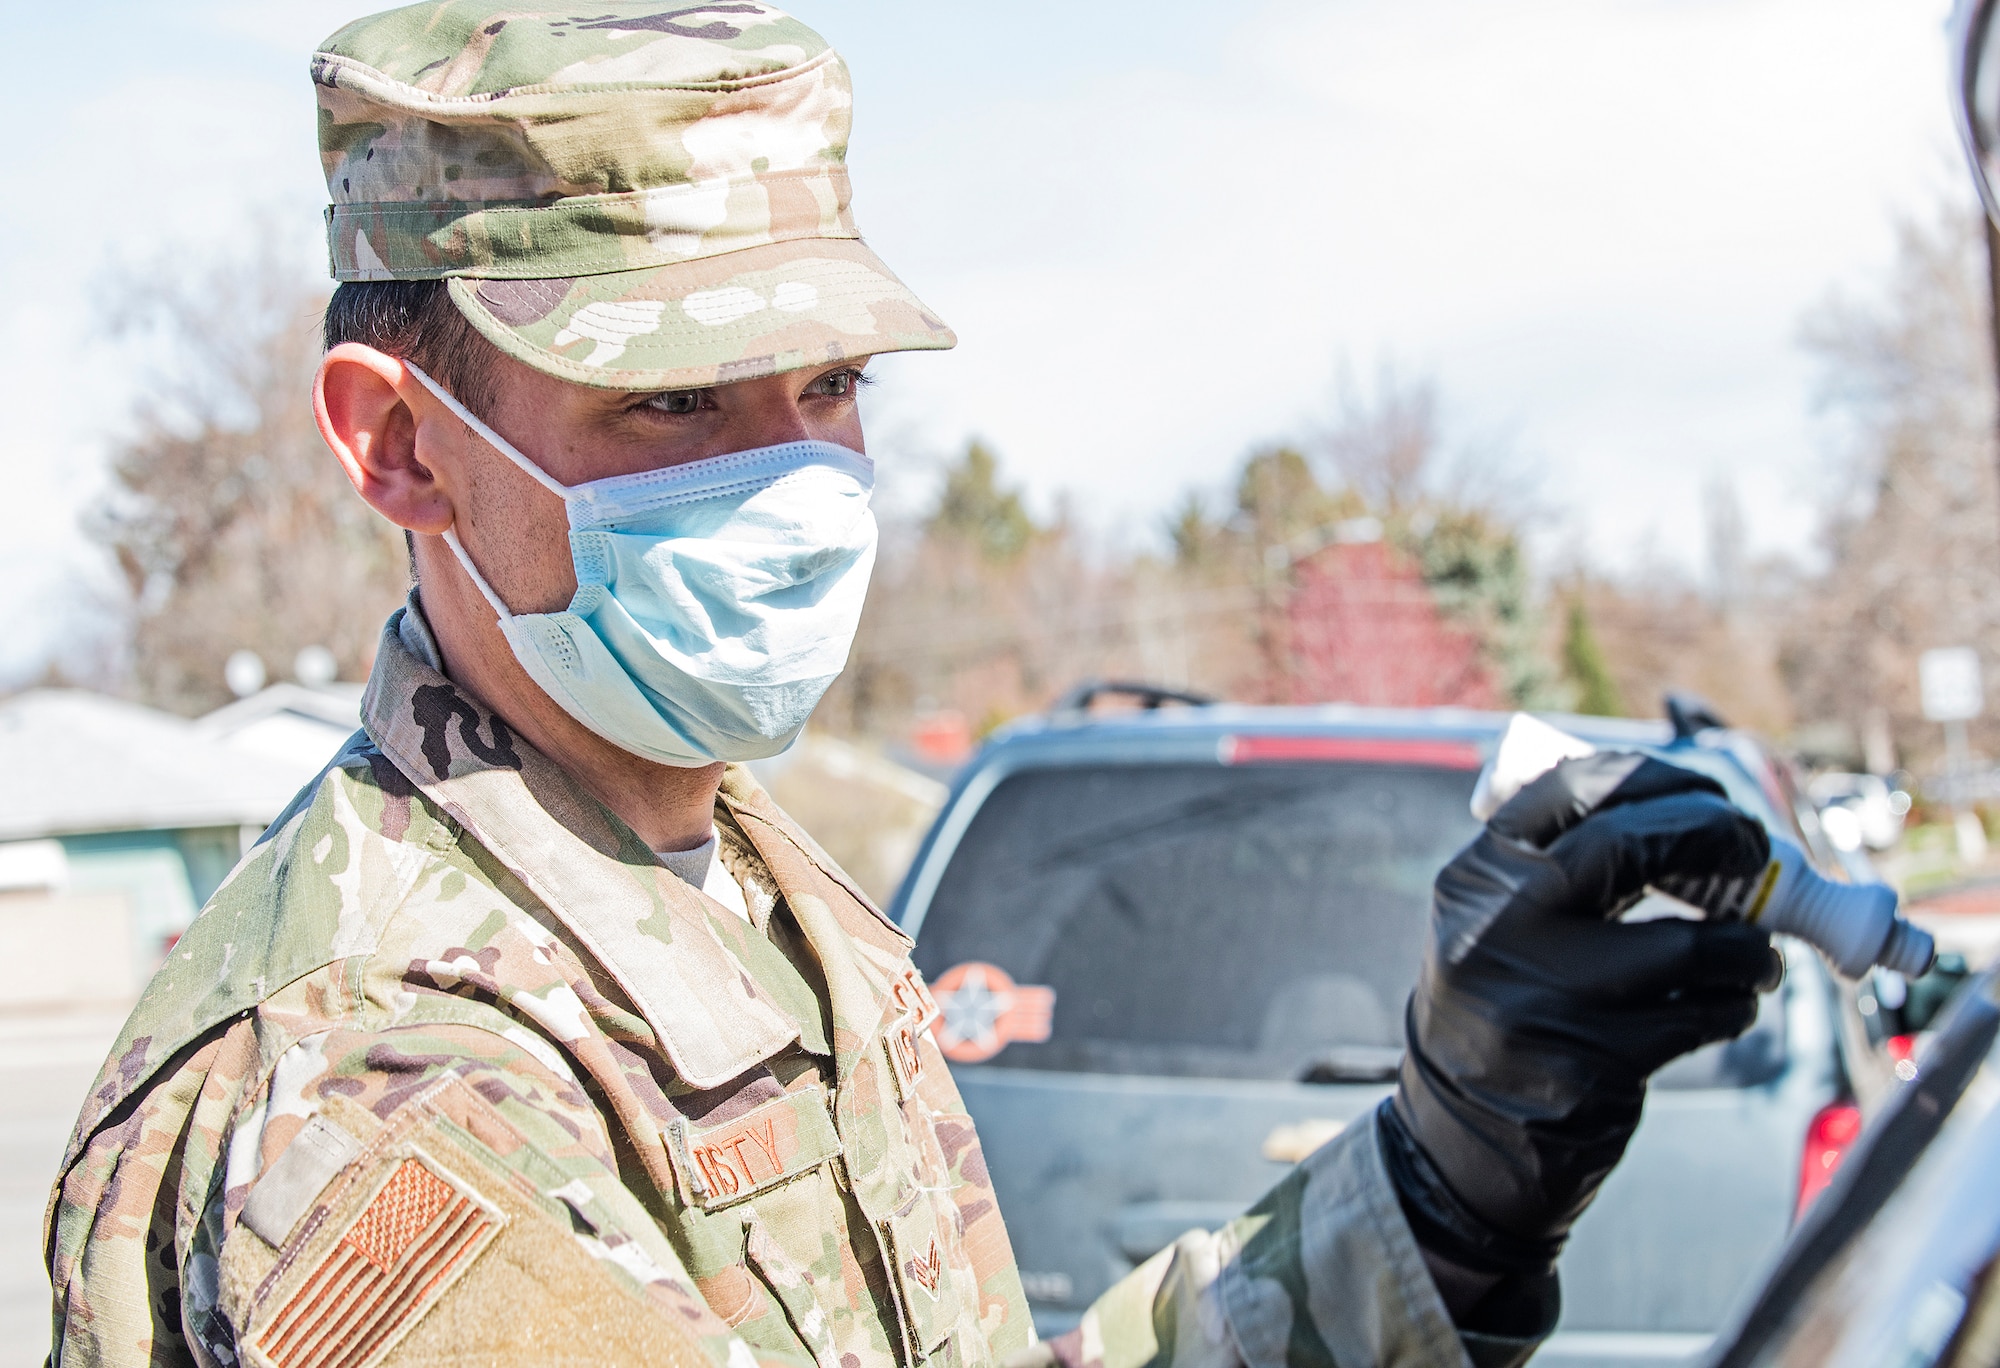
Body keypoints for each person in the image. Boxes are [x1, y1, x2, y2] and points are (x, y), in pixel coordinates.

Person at [43, 6, 1782, 1367]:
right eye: (673, 403)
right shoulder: (369, 1088)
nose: (797, 480)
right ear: (402, 444)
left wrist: (1443, 1188)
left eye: (826, 384)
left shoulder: (742, 886)